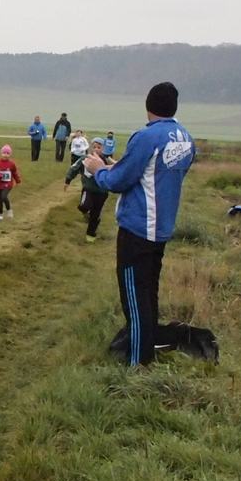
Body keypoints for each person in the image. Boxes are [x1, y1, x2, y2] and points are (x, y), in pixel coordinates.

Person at [87, 82, 197, 366]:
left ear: (148, 106)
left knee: (134, 300)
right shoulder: (185, 138)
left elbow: (118, 182)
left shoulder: (146, 137)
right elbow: (154, 172)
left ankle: (137, 364)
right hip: (161, 229)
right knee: (148, 294)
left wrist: (98, 171)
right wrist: (119, 166)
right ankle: (146, 349)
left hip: (137, 229)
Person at [66, 141, 114, 242]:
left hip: (102, 192)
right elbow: (74, 168)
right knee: (84, 206)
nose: (96, 149)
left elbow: (113, 174)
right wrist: (68, 180)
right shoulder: (85, 159)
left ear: (103, 149)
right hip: (89, 189)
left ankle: (91, 235)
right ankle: (85, 213)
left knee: (96, 214)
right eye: (94, 147)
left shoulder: (106, 162)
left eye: (99, 147)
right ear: (91, 148)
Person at [0, 144, 22, 219]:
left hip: (8, 184)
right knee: (0, 199)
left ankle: (9, 209)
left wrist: (18, 181)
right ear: (1, 154)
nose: (5, 155)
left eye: (8, 153)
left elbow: (15, 173)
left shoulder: (12, 164)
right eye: (4, 153)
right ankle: (0, 214)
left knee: (3, 196)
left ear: (10, 155)